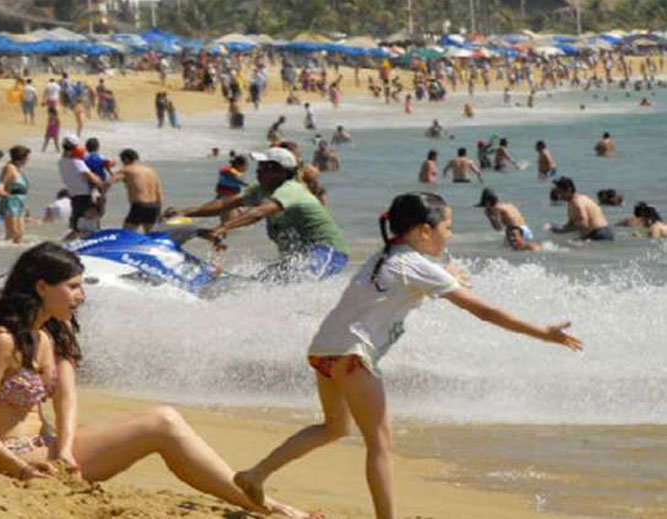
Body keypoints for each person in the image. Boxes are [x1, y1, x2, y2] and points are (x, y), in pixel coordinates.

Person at [232, 192, 582, 519]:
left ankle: (255, 474)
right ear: (424, 230)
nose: (450, 235)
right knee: (381, 445)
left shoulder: (384, 256)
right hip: (354, 355)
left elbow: (403, 282)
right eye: (448, 228)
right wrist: (543, 333)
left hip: (325, 350)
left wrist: (445, 275)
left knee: (334, 426)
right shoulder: (413, 264)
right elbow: (483, 311)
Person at [0, 242, 310, 518]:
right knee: (162, 422)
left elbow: (66, 400)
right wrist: (20, 471)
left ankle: (261, 501)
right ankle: (264, 505)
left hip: (49, 450)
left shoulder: (49, 334)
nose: (82, 296)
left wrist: (64, 448)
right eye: (73, 287)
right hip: (10, 461)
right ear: (41, 287)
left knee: (163, 418)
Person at [169, 148, 349, 282]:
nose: (258, 170)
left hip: (327, 252)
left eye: (265, 166)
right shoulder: (262, 190)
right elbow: (226, 203)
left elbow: (258, 212)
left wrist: (223, 227)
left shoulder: (290, 190)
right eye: (259, 166)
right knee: (261, 283)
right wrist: (185, 212)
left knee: (296, 283)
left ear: (281, 171)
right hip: (299, 256)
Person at [59, 136, 106, 238]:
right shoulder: (77, 162)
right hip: (87, 196)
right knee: (91, 227)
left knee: (77, 227)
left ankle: (66, 244)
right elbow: (91, 178)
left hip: (74, 195)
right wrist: (100, 182)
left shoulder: (61, 162)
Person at [108, 149, 164, 233]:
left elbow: (110, 181)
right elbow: (159, 193)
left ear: (126, 159)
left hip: (140, 205)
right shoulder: (151, 171)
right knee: (150, 234)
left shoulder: (127, 169)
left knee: (126, 234)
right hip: (154, 205)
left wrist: (107, 169)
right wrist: (159, 212)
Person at [551, 176, 614, 241]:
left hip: (599, 234)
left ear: (568, 190)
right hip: (602, 233)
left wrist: (562, 231)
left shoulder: (577, 202)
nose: (558, 195)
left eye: (560, 192)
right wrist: (557, 229)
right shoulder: (572, 202)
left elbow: (583, 224)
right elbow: (571, 224)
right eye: (557, 192)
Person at [0, 145, 31, 244]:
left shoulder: (18, 169)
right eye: (27, 158)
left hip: (20, 204)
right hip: (11, 203)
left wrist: (26, 207)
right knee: (13, 233)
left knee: (20, 235)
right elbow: (1, 184)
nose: (28, 160)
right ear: (21, 158)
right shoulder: (9, 168)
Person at [83, 138, 114, 218]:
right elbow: (108, 168)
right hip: (100, 181)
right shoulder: (101, 157)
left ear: (86, 147)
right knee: (100, 207)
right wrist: (111, 174)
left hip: (88, 182)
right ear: (98, 147)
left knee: (90, 203)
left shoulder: (84, 158)